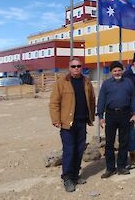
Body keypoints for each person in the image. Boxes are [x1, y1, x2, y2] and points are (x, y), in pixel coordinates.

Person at [49, 57, 95, 192]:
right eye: (74, 66)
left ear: (82, 67)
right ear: (69, 68)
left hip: (82, 122)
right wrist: (55, 119)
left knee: (80, 149)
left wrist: (91, 116)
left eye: (79, 66)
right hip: (67, 123)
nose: (76, 68)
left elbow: (92, 100)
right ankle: (67, 178)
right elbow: (54, 102)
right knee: (69, 150)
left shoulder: (86, 82)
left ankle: (75, 175)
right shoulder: (62, 82)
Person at [97, 61, 135, 178]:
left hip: (125, 114)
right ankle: (110, 168)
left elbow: (133, 99)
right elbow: (101, 100)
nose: (117, 72)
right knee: (109, 142)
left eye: (119, 70)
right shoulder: (106, 84)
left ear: (122, 70)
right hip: (110, 115)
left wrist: (134, 114)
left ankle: (121, 166)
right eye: (115, 71)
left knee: (124, 141)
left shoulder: (128, 82)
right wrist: (100, 116)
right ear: (111, 72)